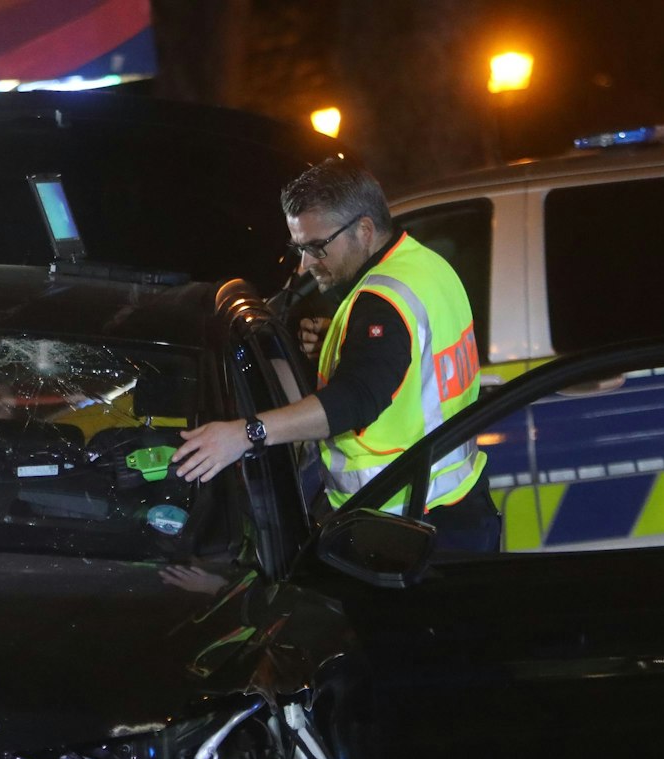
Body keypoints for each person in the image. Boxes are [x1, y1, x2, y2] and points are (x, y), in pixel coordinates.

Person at [171, 158, 499, 552]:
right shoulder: (426, 266)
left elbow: (355, 400)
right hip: (457, 505)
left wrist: (245, 434)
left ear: (363, 230)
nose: (306, 265)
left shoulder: (381, 303)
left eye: (316, 247)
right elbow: (414, 356)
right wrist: (347, 343)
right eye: (298, 248)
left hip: (404, 525)